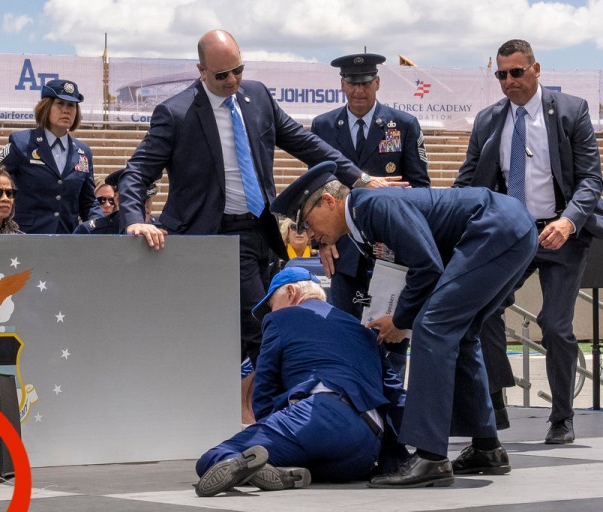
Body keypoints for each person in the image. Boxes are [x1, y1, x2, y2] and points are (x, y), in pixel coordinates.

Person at [116, 29, 397, 423]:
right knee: (264, 328)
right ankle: (280, 417)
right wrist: (133, 220)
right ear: (201, 71)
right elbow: (137, 172)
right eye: (221, 75)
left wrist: (359, 178)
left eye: (238, 70)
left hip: (263, 234)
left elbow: (305, 143)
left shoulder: (258, 96)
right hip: (213, 237)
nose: (232, 80)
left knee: (259, 327)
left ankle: (258, 413)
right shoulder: (176, 114)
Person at [272, 161, 538, 488]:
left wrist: (400, 321)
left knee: (433, 328)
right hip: (509, 227)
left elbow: (427, 266)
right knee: (461, 334)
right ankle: (487, 447)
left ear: (328, 202)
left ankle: (431, 458)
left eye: (308, 223)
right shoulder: (362, 224)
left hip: (495, 227)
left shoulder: (372, 206)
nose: (310, 236)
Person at [455, 39, 603, 443]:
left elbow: (591, 180)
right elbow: (467, 183)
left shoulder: (571, 111)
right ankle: (494, 401)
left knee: (555, 326)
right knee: (480, 311)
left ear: (536, 70)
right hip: (511, 235)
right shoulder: (488, 121)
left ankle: (562, 416)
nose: (508, 81)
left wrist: (569, 222)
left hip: (562, 234)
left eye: (516, 72)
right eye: (501, 74)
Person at [195, 267, 388, 497]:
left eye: (272, 303)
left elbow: (265, 388)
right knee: (309, 462)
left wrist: (268, 429)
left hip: (319, 416)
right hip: (367, 445)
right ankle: (281, 473)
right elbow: (394, 393)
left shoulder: (280, 319)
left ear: (291, 291)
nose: (271, 310)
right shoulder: (362, 328)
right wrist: (395, 458)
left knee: (214, 458)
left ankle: (252, 467)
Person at [311, 53, 430, 379]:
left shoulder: (403, 125)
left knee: (390, 338)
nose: (358, 91)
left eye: (365, 83)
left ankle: (390, 410)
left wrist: (388, 198)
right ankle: (353, 408)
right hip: (344, 252)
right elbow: (315, 194)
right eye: (352, 83)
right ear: (342, 85)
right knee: (347, 336)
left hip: (391, 253)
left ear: (377, 83)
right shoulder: (323, 126)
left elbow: (420, 190)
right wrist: (320, 242)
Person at [0, 79, 99, 234]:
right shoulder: (22, 144)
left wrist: (101, 227)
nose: (66, 110)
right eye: (60, 103)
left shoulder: (83, 152)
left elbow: (88, 202)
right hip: (25, 241)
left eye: (71, 105)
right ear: (46, 107)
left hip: (67, 241)